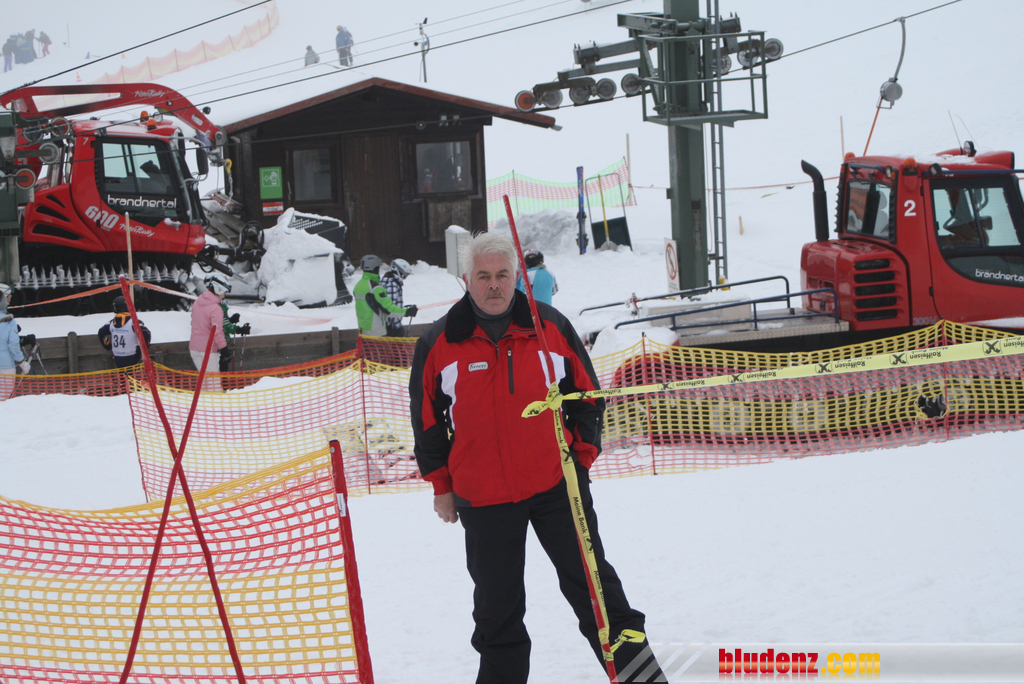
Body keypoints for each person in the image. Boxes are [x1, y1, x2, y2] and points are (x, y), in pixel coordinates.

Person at [409, 232, 664, 684]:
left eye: (502, 274)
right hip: (484, 497)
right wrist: (442, 487)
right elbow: (427, 422)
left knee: (599, 595)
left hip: (556, 487)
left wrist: (579, 462)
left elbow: (587, 398)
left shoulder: (550, 327)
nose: (494, 284)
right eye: (483, 275)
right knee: (497, 613)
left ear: (517, 277)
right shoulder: (440, 342)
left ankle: (641, 679)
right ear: (466, 280)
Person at [354, 254, 417, 336]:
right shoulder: (375, 287)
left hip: (363, 330)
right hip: (376, 332)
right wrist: (407, 312)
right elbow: (388, 308)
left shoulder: (359, 285)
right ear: (375, 268)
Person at [190, 274, 230, 390]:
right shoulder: (216, 308)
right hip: (208, 351)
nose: (224, 295)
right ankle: (216, 402)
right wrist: (224, 349)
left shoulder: (197, 302)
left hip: (194, 348)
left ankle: (203, 401)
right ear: (218, 289)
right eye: (224, 292)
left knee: (203, 382)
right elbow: (217, 331)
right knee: (214, 384)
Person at [97, 296, 152, 369]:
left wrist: (108, 345)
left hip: (117, 356)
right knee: (131, 375)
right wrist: (142, 348)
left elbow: (101, 332)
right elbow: (146, 333)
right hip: (132, 355)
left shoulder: (111, 323)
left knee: (122, 375)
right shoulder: (133, 322)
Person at [1, 283, 30, 400]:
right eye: (8, 294)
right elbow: (13, 345)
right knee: (4, 399)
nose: (11, 296)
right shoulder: (9, 322)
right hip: (5, 366)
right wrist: (21, 362)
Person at [381, 258, 413, 337]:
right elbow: (390, 307)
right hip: (391, 328)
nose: (404, 278)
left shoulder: (389, 281)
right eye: (404, 275)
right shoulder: (392, 284)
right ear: (399, 272)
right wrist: (396, 327)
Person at [218, 301, 251, 372]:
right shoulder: (219, 305)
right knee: (221, 368)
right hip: (218, 347)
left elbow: (223, 321)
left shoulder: (219, 303)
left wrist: (230, 321)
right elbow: (224, 325)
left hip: (219, 345)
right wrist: (239, 329)